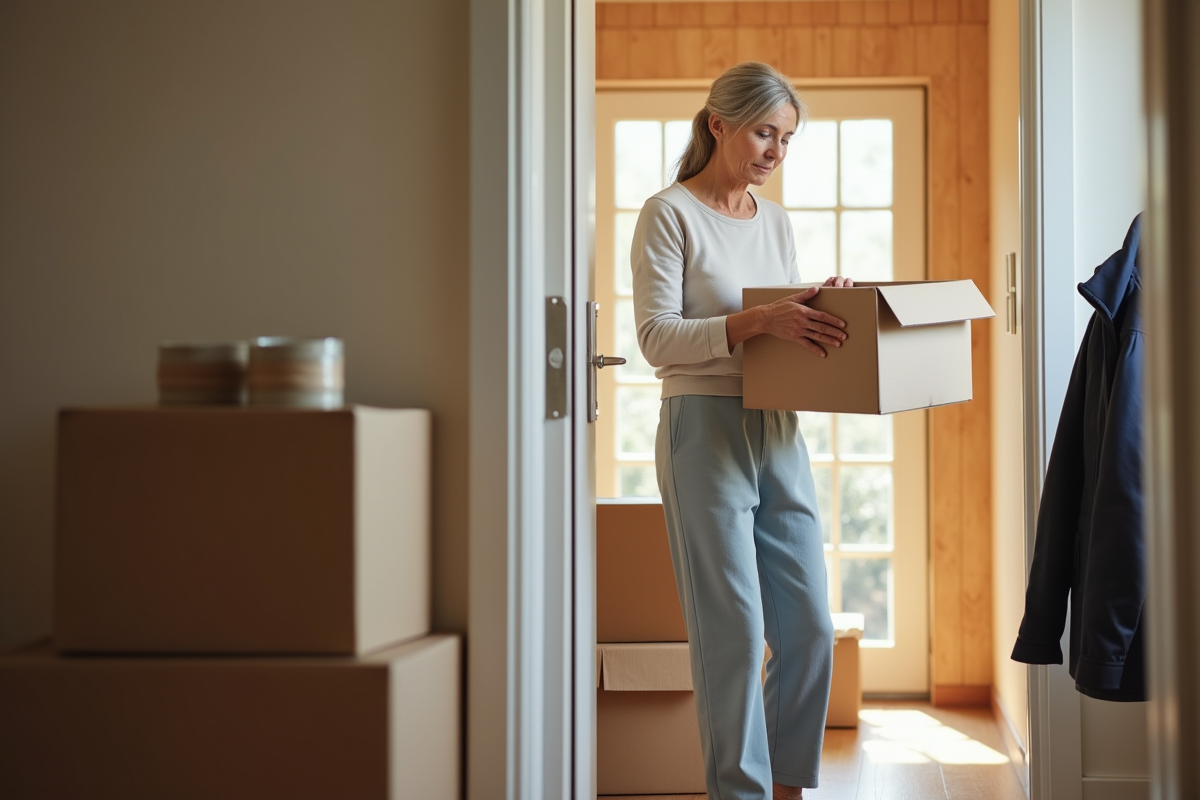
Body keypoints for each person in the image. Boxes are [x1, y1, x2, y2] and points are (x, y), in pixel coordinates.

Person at [631, 61, 851, 800]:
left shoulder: (777, 221)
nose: (775, 152)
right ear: (718, 123)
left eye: (786, 139)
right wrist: (760, 318)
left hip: (777, 425)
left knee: (809, 626)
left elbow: (777, 327)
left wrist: (822, 305)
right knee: (732, 635)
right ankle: (740, 792)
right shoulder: (669, 213)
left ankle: (786, 785)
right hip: (703, 429)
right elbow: (657, 339)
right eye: (765, 131)